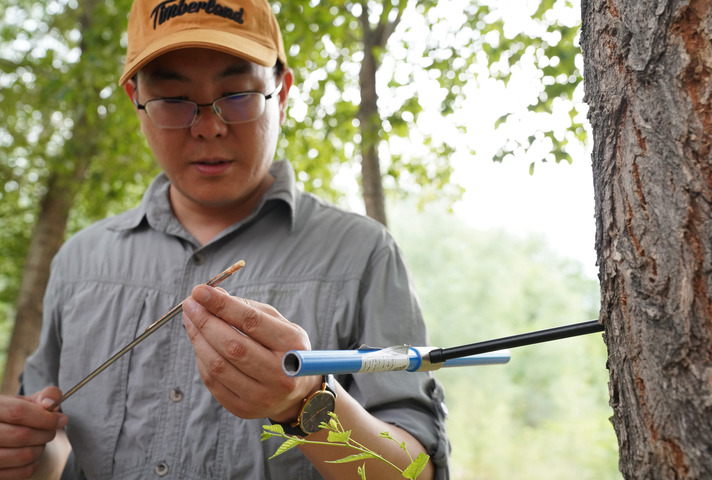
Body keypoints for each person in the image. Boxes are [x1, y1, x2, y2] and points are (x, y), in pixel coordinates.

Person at [0, 0, 450, 478]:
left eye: (237, 95)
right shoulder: (80, 262)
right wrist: (24, 453)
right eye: (173, 101)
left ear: (281, 92)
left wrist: (305, 402)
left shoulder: (362, 255)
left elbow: (414, 471)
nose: (209, 127)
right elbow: (58, 443)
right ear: (137, 100)